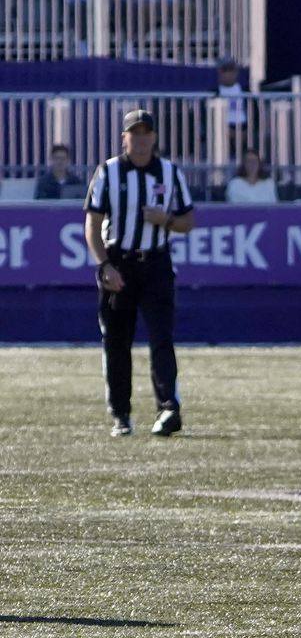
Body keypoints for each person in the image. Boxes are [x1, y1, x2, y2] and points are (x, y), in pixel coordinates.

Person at [83, 111, 195, 438]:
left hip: (156, 264)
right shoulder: (109, 172)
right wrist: (104, 265)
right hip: (119, 261)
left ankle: (169, 408)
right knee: (117, 342)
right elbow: (92, 223)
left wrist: (167, 220)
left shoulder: (170, 172)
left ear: (155, 137)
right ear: (125, 138)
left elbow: (188, 220)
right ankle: (121, 414)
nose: (142, 139)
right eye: (135, 133)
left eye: (147, 133)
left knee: (162, 338)